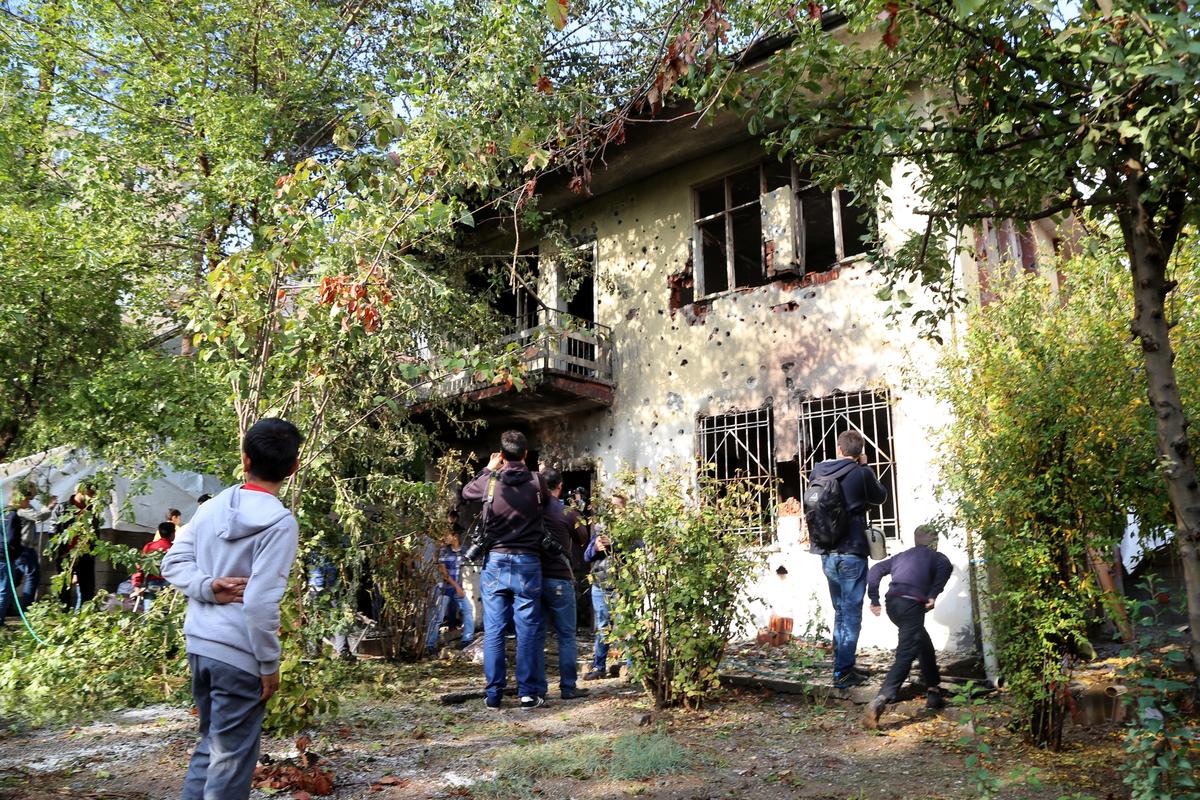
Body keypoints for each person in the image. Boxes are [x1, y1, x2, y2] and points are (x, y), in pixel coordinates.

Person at [162, 418, 302, 800]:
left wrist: (206, 587)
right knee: (231, 761)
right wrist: (269, 665)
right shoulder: (280, 522)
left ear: (244, 459)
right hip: (239, 656)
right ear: (293, 467)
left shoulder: (213, 506)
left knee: (212, 750)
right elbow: (259, 602)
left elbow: (172, 563)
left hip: (200, 648)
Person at [460, 431, 549, 710]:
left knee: (494, 630)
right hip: (527, 561)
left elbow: (466, 492)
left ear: (501, 454)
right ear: (525, 454)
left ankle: (494, 694)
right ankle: (526, 693)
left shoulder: (490, 483)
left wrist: (489, 468)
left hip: (496, 561)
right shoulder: (537, 482)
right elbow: (544, 507)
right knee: (527, 630)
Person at [808, 429, 888, 689]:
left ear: (839, 449)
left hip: (826, 552)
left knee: (841, 610)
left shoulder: (818, 471)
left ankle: (843, 666)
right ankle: (843, 672)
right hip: (852, 552)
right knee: (851, 613)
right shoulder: (861, 473)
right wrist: (866, 467)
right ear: (859, 451)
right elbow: (880, 496)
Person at [863, 524, 953, 729]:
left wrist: (875, 599)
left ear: (915, 540)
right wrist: (932, 594)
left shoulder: (902, 556)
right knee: (906, 654)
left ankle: (933, 691)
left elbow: (876, 569)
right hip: (912, 605)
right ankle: (880, 700)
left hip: (893, 605)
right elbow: (945, 569)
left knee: (922, 642)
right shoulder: (937, 557)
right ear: (935, 542)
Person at [531, 469, 589, 701]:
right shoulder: (567, 511)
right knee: (566, 636)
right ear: (560, 486)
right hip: (560, 579)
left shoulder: (532, 510)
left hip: (535, 578)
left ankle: (537, 689)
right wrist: (578, 511)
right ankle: (567, 687)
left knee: (536, 635)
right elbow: (583, 538)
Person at [582, 493, 627, 681]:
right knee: (602, 627)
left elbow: (637, 550)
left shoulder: (630, 529)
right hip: (600, 585)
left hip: (621, 585)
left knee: (626, 627)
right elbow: (586, 556)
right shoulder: (600, 529)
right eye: (610, 507)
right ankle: (599, 666)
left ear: (624, 509)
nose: (612, 510)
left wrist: (615, 545)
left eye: (616, 506)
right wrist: (595, 549)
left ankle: (630, 668)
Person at [1, 485, 56, 620]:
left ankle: (8, 608)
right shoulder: (20, 511)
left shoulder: (13, 510)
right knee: (32, 575)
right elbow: (38, 516)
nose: (30, 501)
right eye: (28, 498)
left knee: (14, 579)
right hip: (23, 548)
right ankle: (27, 609)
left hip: (19, 549)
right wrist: (48, 507)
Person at [424, 518, 474, 653]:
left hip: (458, 589)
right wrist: (457, 587)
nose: (445, 538)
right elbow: (444, 574)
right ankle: (429, 644)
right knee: (437, 618)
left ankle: (467, 640)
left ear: (455, 537)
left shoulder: (464, 551)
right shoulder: (443, 551)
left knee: (468, 611)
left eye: (447, 535)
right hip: (444, 589)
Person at [56, 484, 99, 610]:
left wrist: (93, 551)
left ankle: (83, 619)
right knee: (64, 589)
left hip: (85, 555)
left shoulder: (92, 510)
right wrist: (60, 551)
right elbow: (54, 530)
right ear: (80, 491)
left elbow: (96, 532)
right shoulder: (63, 508)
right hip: (66, 555)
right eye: (90, 493)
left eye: (93, 494)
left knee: (87, 588)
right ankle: (63, 616)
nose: (92, 497)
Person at [132, 521, 175, 612]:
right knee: (166, 615)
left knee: (149, 614)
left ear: (159, 533)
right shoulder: (175, 549)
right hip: (169, 586)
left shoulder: (149, 547)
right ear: (173, 533)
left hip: (151, 584)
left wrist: (137, 584)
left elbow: (140, 567)